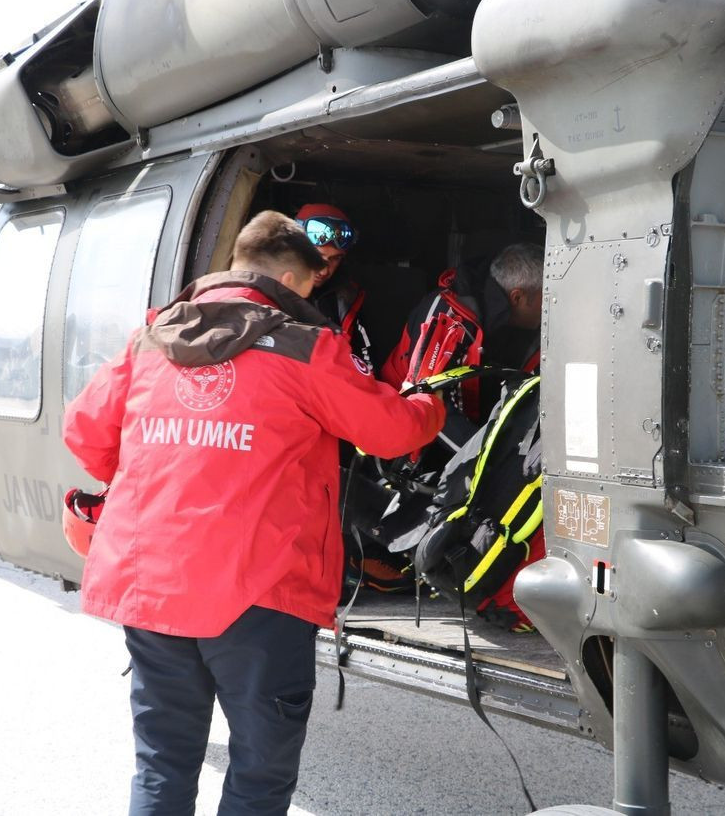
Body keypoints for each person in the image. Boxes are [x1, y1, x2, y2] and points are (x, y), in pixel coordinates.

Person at [62, 210, 445, 815]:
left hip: (151, 584)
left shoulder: (152, 336)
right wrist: (429, 401)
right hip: (259, 592)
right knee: (259, 775)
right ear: (294, 281)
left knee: (162, 763)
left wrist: (165, 471)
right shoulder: (305, 348)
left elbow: (84, 433)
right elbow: (391, 433)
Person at [381, 241, 544, 446]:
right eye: (546, 297)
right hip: (410, 438)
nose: (551, 305)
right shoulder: (444, 315)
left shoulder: (521, 328)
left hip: (469, 430)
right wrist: (484, 460)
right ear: (517, 297)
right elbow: (424, 401)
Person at [296, 202, 374, 368]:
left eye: (335, 259)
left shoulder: (346, 299)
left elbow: (365, 367)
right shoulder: (270, 293)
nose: (324, 271)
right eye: (318, 257)